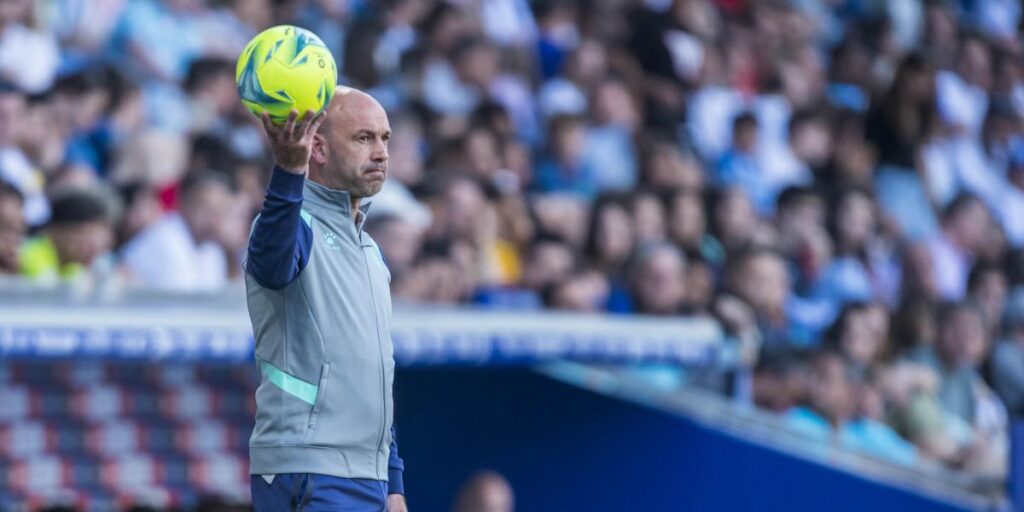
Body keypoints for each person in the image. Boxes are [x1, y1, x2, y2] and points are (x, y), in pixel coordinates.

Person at [244, 88, 408, 512]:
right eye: (363, 138)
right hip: (311, 466)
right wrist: (287, 170)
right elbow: (272, 262)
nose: (381, 152)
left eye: (385, 138)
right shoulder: (289, 223)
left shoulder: (370, 250)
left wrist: (393, 482)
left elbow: (374, 375)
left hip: (365, 477)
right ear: (317, 147)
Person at [120, 171, 233, 292]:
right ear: (186, 204)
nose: (215, 220)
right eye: (209, 210)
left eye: (221, 212)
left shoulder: (213, 249)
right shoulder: (164, 238)